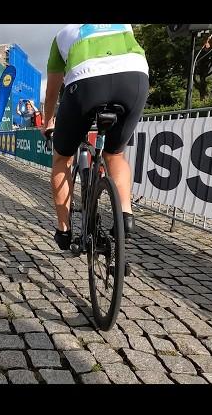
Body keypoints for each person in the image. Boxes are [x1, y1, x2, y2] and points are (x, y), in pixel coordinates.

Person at [42, 24, 149, 250]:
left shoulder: (62, 35)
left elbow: (52, 92)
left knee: (62, 158)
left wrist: (48, 121)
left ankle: (63, 230)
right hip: (134, 78)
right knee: (115, 155)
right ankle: (126, 215)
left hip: (86, 82)